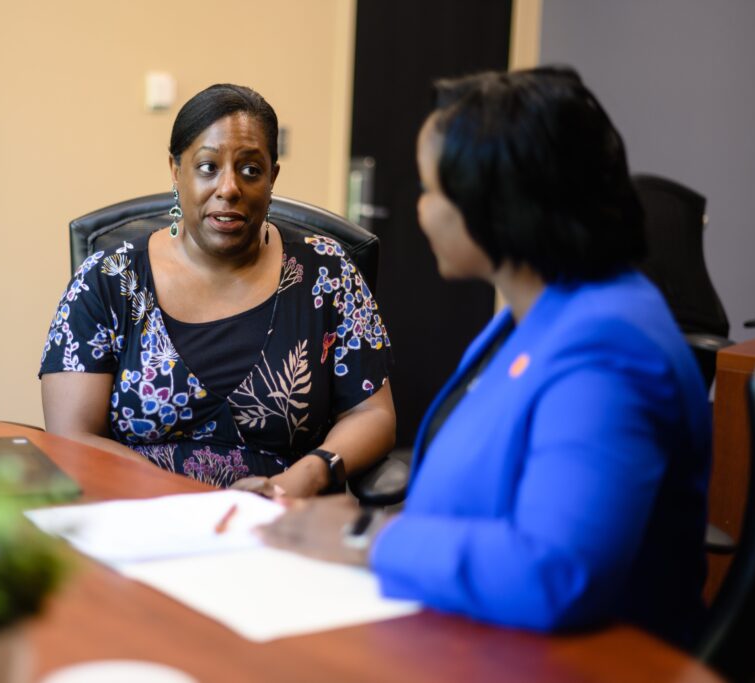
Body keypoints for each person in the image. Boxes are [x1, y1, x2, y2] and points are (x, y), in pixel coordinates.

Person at [259, 67, 711, 647]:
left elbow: (557, 572)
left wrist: (365, 537)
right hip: (474, 632)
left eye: (431, 191)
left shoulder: (611, 351)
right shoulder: (537, 313)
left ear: (496, 207)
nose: (421, 211)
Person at [40, 84, 396, 497]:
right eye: (208, 166)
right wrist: (179, 499)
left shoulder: (328, 272)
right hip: (140, 515)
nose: (229, 188)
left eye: (250, 170)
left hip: (286, 519)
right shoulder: (108, 278)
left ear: (272, 177)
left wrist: (305, 477)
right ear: (176, 171)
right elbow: (72, 437)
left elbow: (372, 414)